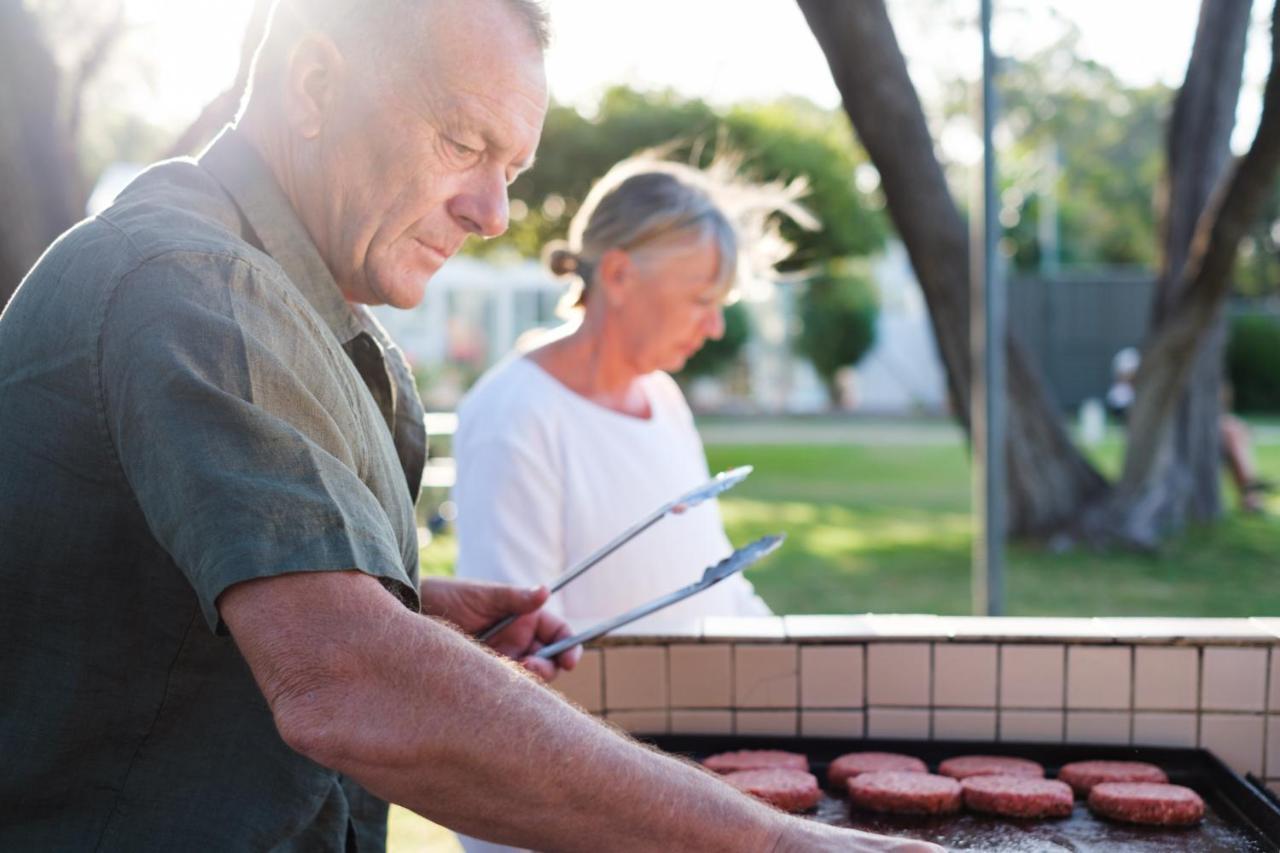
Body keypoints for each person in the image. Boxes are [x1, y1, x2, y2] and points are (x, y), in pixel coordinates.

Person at [0, 1, 936, 851]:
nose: (493, 212)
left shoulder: (283, 286)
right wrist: (781, 846)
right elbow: (347, 680)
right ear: (314, 84)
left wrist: (402, 600)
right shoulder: (191, 283)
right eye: (462, 142)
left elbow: (185, 584)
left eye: (512, 169)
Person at [452, 156, 796, 636]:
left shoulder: (662, 398)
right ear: (617, 275)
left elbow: (716, 581)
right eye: (701, 301)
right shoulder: (515, 413)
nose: (715, 327)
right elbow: (516, 644)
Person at [1107, 347, 1272, 512]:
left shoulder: (1156, 390)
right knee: (1231, 431)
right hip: (1166, 445)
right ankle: (1250, 492)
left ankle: (1250, 492)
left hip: (1179, 439)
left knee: (1232, 429)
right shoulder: (1121, 394)